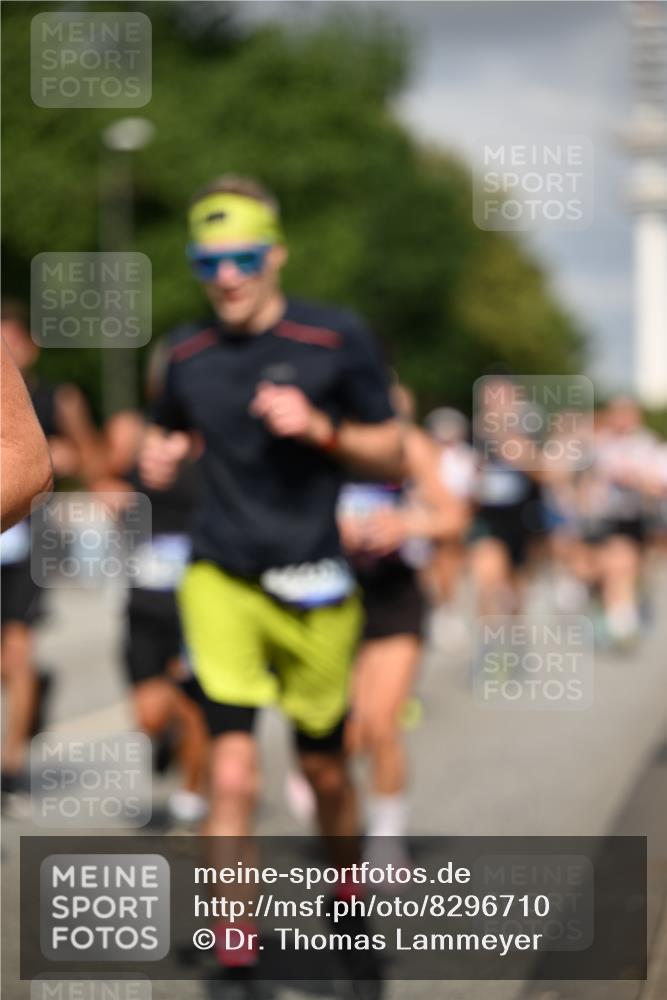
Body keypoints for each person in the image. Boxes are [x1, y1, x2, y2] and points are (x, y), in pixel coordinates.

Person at [139, 175, 403, 965]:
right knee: (229, 768)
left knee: (324, 771)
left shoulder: (334, 338)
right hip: (220, 575)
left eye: (242, 257)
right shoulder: (182, 353)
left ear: (275, 255)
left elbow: (391, 448)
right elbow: (171, 434)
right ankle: (235, 937)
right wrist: (162, 454)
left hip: (315, 579)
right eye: (207, 261)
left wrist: (320, 429)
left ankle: (346, 891)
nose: (225, 276)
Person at [338, 384, 464, 871]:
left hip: (394, 596)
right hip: (329, 598)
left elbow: (452, 517)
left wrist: (406, 525)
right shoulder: (320, 440)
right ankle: (332, 795)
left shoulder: (409, 445)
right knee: (344, 734)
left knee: (381, 721)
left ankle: (387, 839)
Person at [99, 342, 209, 825]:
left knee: (192, 705)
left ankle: (192, 793)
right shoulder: (133, 432)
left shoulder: (212, 436)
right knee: (150, 716)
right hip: (144, 598)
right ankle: (163, 743)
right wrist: (111, 493)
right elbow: (102, 475)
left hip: (199, 600)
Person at [1, 299, 100, 812]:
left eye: (14, 342)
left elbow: (91, 456)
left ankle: (10, 768)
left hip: (25, 543)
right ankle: (36, 692)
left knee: (15, 653)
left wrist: (67, 456)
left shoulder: (55, 398)